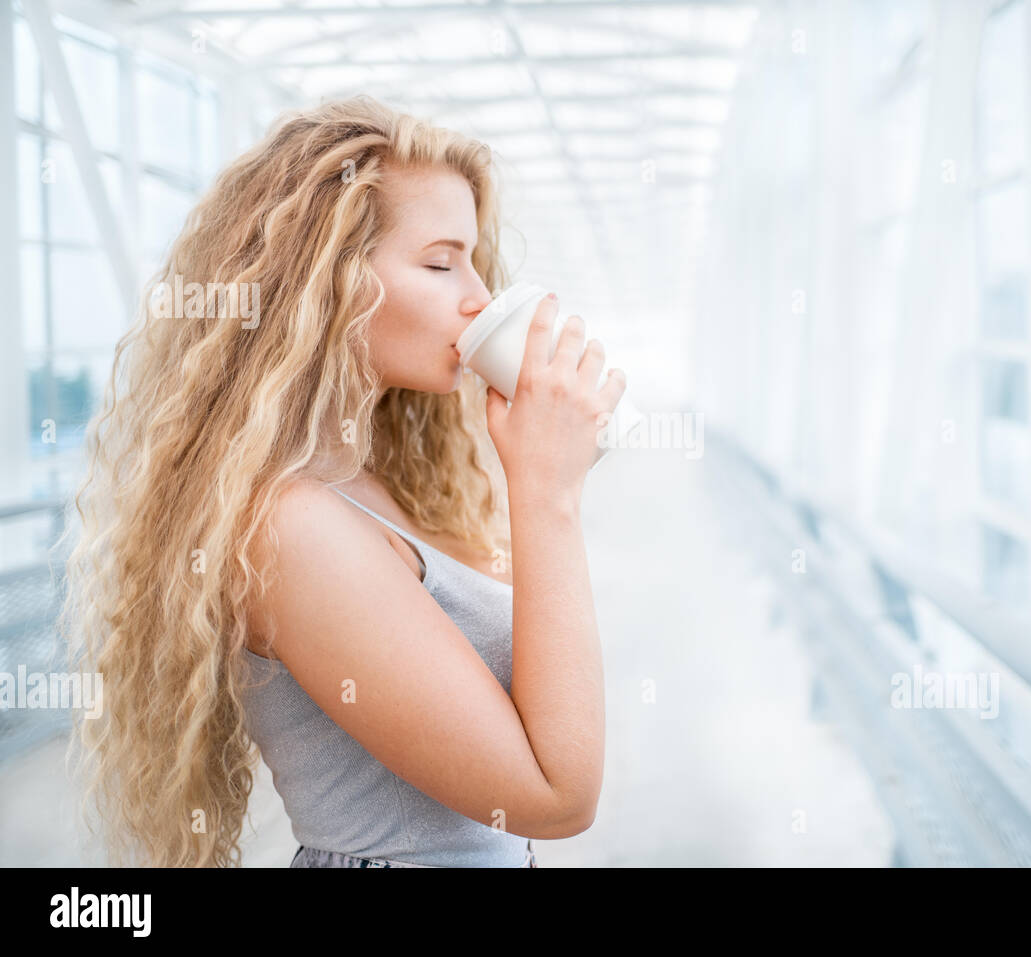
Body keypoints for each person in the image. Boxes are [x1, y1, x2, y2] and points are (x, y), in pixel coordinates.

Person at [59, 95, 624, 867]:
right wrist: (549, 494)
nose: (478, 298)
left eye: (473, 260)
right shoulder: (290, 526)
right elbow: (558, 794)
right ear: (326, 279)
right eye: (439, 260)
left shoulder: (371, 483)